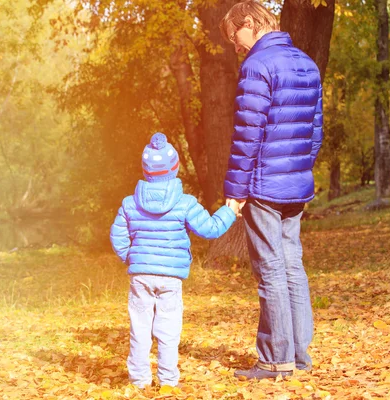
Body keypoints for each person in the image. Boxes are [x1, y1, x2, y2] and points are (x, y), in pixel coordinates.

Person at [219, 0, 323, 380]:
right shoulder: (307, 64)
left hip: (263, 185)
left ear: (249, 22)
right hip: (295, 184)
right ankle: (298, 356)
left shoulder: (257, 66)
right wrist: (296, 169)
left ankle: (274, 360)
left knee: (270, 270)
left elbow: (248, 135)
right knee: (292, 265)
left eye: (235, 36)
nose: (236, 45)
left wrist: (236, 190)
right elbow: (315, 134)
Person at [110, 132, 237, 389]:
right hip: (170, 278)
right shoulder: (185, 203)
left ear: (145, 170)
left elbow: (117, 236)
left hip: (141, 276)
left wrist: (134, 259)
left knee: (140, 329)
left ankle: (139, 382)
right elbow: (210, 229)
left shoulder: (130, 203)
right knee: (168, 331)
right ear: (176, 168)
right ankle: (167, 381)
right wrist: (230, 210)